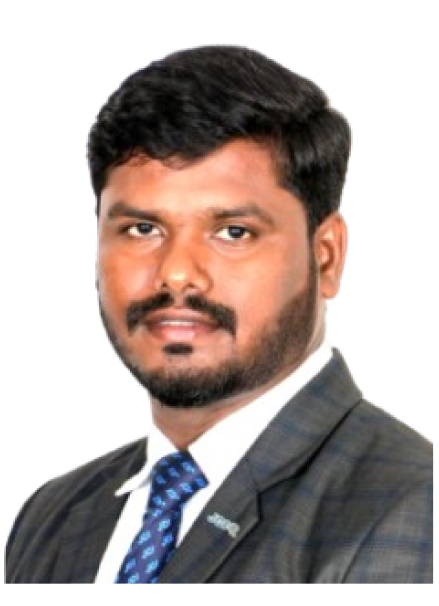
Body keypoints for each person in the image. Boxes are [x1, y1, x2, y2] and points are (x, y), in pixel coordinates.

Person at [5, 44, 433, 585]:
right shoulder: (54, 515)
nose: (176, 274)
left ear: (326, 256)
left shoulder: (411, 509)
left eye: (233, 232)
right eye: (142, 229)